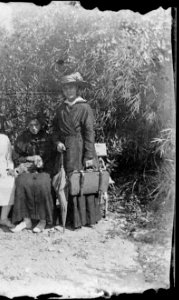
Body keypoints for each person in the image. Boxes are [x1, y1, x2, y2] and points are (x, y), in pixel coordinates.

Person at [52, 72, 101, 229]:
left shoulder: (84, 107)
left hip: (80, 149)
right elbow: (54, 131)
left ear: (77, 89)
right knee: (66, 182)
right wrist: (57, 142)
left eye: (72, 87)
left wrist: (88, 155)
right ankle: (68, 217)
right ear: (63, 90)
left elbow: (89, 132)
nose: (69, 91)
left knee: (80, 180)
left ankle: (83, 219)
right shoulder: (60, 108)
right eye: (66, 88)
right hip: (64, 150)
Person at [10, 117, 56, 233]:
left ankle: (43, 220)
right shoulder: (22, 138)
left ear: (41, 125)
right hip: (27, 169)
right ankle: (26, 220)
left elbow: (53, 158)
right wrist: (29, 158)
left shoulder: (47, 138)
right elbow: (16, 157)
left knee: (43, 184)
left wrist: (42, 163)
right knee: (22, 183)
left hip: (44, 170)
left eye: (36, 125)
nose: (34, 128)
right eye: (31, 125)